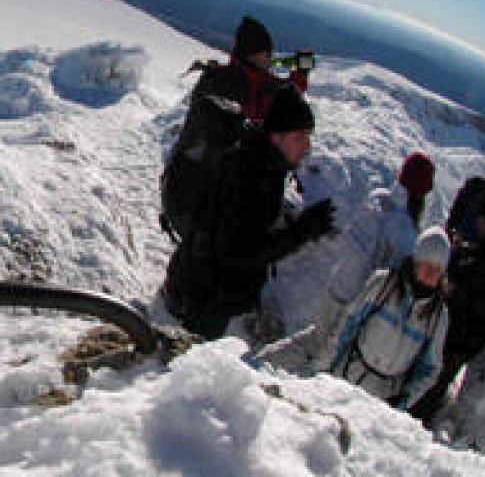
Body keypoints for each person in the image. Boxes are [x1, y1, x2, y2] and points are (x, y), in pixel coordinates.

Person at [162, 84, 336, 339]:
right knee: (191, 371)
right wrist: (302, 231)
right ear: (276, 136)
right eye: (299, 137)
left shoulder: (263, 162)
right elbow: (238, 251)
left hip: (202, 288)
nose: (307, 146)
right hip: (205, 302)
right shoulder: (249, 174)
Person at [258, 152, 436, 372]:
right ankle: (283, 382)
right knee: (328, 358)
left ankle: (262, 363)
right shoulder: (405, 233)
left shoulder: (377, 198)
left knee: (313, 339)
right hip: (358, 303)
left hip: (337, 285)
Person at [160, 16, 293, 242]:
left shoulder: (220, 75)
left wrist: (292, 66)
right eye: (266, 55)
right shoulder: (240, 88)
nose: (270, 60)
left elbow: (266, 78)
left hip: (183, 189)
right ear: (253, 55)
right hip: (207, 206)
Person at [410, 178, 485, 424]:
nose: (478, 224)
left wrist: (454, 283)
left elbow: (477, 294)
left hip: (464, 336)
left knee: (434, 382)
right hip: (463, 333)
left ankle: (416, 421)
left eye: (482, 219)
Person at [329, 226, 451, 411]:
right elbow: (347, 324)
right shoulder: (384, 284)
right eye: (426, 265)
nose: (430, 274)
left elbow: (430, 369)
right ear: (415, 260)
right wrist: (326, 367)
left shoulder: (438, 316)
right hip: (345, 379)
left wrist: (404, 401)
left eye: (437, 269)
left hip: (383, 401)